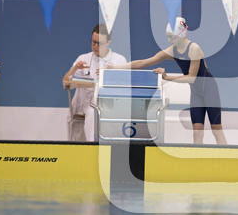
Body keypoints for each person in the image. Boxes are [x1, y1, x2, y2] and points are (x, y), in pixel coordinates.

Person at [113, 17, 227, 145]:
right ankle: (197, 156)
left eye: (171, 37)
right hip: (196, 92)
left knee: (216, 128)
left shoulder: (194, 49)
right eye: (167, 36)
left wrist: (167, 77)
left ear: (181, 35)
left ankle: (227, 156)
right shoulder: (172, 51)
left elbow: (191, 77)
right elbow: (143, 62)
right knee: (197, 130)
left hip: (209, 89)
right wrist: (114, 68)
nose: (169, 40)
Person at [62, 23, 126, 141]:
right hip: (82, 107)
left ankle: (93, 147)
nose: (95, 46)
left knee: (93, 113)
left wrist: (108, 76)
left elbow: (123, 89)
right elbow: (66, 83)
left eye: (99, 43)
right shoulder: (83, 59)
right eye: (93, 42)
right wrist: (74, 69)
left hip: (108, 107)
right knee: (76, 141)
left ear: (109, 42)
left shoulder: (119, 60)